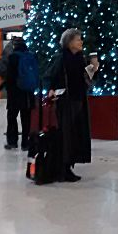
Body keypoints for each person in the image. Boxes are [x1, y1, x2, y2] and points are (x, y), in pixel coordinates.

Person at [42, 28, 93, 182]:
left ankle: (69, 165)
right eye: (78, 40)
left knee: (75, 133)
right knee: (66, 134)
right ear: (70, 42)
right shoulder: (62, 58)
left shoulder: (79, 58)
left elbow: (85, 78)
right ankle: (63, 168)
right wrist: (51, 89)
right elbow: (51, 75)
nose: (81, 42)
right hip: (66, 101)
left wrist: (93, 69)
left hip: (78, 100)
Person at [0, 38, 35, 151]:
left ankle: (12, 142)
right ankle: (25, 143)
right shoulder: (31, 56)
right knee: (26, 119)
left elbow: (9, 78)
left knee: (12, 117)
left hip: (15, 94)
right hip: (28, 94)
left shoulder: (13, 57)